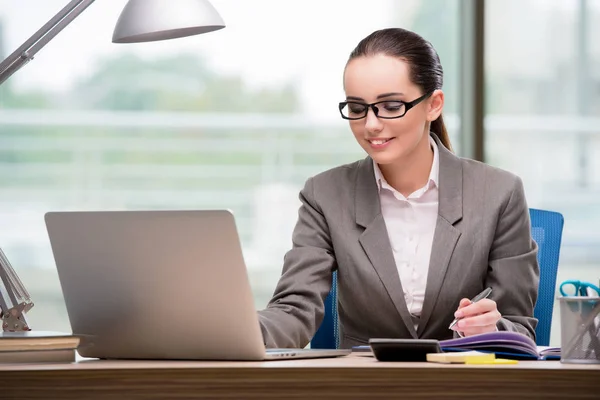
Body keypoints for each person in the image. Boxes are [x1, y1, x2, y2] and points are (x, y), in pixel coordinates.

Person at [257, 28, 539, 349]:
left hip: (462, 382)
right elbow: (294, 310)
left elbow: (520, 328)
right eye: (357, 107)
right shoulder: (324, 194)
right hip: (366, 384)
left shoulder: (499, 193)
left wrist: (491, 326)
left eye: (391, 106)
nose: (371, 124)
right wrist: (236, 329)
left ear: (433, 105)